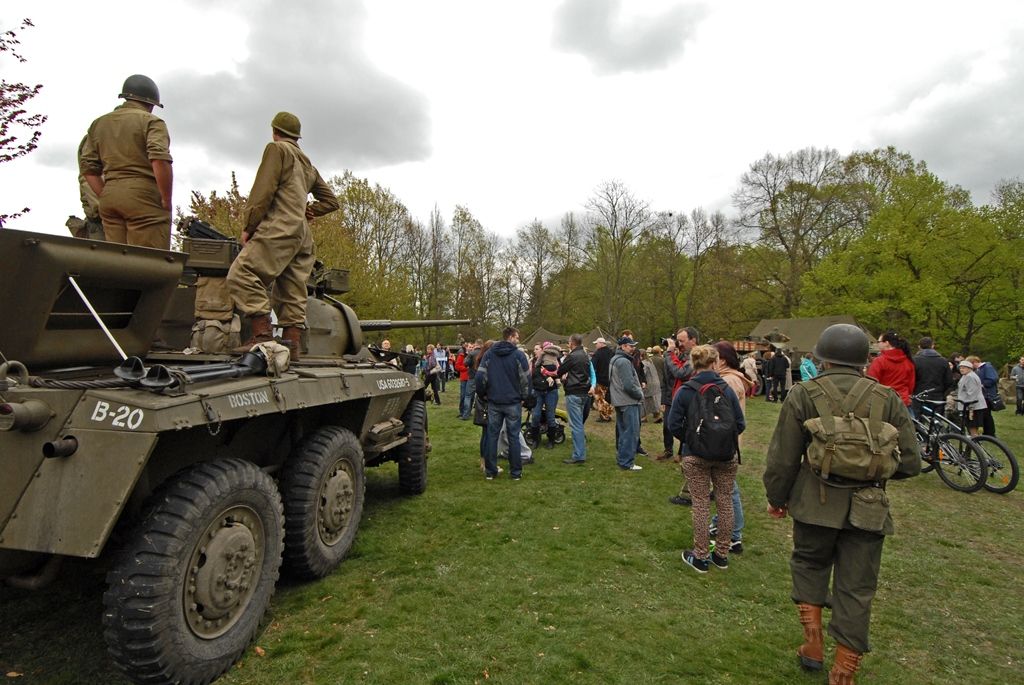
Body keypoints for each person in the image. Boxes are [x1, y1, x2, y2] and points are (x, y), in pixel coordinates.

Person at [763, 323, 919, 684]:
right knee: (857, 586)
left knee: (809, 564)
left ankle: (813, 645)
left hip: (814, 503)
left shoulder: (803, 394)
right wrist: (870, 473)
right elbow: (911, 462)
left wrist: (777, 498)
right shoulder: (887, 397)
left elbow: (783, 459)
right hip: (869, 507)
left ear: (822, 358)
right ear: (864, 361)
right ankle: (844, 671)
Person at [226, 112, 339, 357]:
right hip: (302, 236)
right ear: (297, 137)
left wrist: (249, 226)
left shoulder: (277, 150)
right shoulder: (307, 162)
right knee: (292, 289)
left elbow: (262, 192)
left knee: (241, 274)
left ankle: (262, 336)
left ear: (275, 131)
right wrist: (307, 210)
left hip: (279, 227)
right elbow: (331, 201)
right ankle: (292, 346)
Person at [667, 344, 744, 573]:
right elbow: (740, 423)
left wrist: (692, 439)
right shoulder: (726, 389)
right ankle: (721, 554)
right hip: (725, 455)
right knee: (725, 501)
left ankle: (700, 555)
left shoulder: (686, 391)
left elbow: (673, 424)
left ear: (693, 363)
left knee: (700, 503)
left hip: (695, 454)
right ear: (715, 362)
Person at [79, 74, 173, 248]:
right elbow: (159, 159)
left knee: (118, 263)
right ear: (151, 103)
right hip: (145, 196)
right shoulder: (152, 122)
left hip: (110, 196)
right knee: (149, 261)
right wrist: (166, 199)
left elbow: (88, 169)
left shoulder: (98, 124)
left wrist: (105, 194)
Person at [711, 341, 752, 555]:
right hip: (725, 440)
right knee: (722, 487)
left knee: (728, 488)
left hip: (726, 441)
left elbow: (723, 415)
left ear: (723, 360)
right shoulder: (728, 379)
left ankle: (734, 534)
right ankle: (721, 522)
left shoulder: (729, 381)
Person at [476, 327, 530, 480]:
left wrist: (483, 394)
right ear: (511, 337)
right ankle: (515, 473)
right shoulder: (518, 355)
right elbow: (525, 379)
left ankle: (490, 471)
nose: (518, 340)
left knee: (492, 436)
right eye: (517, 337)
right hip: (512, 402)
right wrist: (525, 397)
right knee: (514, 437)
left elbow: (480, 377)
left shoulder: (489, 355)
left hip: (494, 401)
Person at [558, 333, 594, 465]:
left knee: (576, 425)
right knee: (579, 424)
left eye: (568, 342)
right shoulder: (585, 355)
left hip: (574, 392)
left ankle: (579, 455)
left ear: (572, 343)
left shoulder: (572, 356)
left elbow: (560, 371)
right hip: (584, 392)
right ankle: (580, 452)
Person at [608, 336, 644, 471]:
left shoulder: (615, 359)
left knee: (623, 432)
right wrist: (639, 394)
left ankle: (622, 459)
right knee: (630, 432)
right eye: (630, 345)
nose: (633, 348)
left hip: (619, 400)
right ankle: (627, 462)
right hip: (627, 401)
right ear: (622, 346)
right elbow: (628, 385)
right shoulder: (623, 361)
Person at [866, 330, 915, 411]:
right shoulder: (908, 361)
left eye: (879, 341)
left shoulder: (879, 361)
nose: (877, 344)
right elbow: (911, 386)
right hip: (903, 404)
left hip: (884, 403)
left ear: (887, 343)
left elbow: (871, 383)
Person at [529, 343, 562, 449]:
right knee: (536, 416)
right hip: (538, 391)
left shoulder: (554, 360)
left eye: (537, 349)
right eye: (534, 349)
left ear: (543, 351)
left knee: (550, 416)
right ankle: (535, 439)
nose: (535, 351)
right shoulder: (533, 362)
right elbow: (532, 376)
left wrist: (552, 375)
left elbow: (559, 372)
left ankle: (551, 440)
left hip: (550, 391)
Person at [911, 337, 954, 418]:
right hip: (937, 396)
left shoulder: (914, 360)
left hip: (919, 396)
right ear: (932, 346)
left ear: (919, 347)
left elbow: (910, 379)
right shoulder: (943, 361)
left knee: (917, 422)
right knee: (936, 422)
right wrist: (943, 393)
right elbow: (949, 381)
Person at [967, 355, 999, 435]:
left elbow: (993, 378)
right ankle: (988, 432)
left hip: (988, 395)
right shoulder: (978, 370)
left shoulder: (987, 367)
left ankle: (990, 433)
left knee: (987, 414)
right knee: (985, 414)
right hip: (982, 395)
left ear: (974, 362)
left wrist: (982, 384)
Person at [956, 359, 987, 436]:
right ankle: (974, 441)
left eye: (964, 367)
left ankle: (975, 442)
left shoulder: (970, 377)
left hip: (973, 406)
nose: (961, 369)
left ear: (970, 368)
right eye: (960, 368)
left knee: (972, 426)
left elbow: (972, 393)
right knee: (970, 426)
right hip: (971, 405)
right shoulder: (966, 376)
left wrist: (970, 406)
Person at [591, 338, 614, 421]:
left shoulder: (597, 354)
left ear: (601, 343)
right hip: (611, 379)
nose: (596, 345)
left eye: (596, 343)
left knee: (600, 398)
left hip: (600, 379)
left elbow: (592, 367)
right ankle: (609, 414)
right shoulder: (612, 353)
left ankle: (604, 416)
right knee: (609, 398)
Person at [455, 342, 472, 419]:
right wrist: (466, 369)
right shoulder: (461, 356)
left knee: (470, 396)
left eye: (472, 347)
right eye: (469, 347)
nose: (470, 348)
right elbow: (457, 366)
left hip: (471, 378)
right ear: (466, 348)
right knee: (463, 396)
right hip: (464, 378)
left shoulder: (474, 355)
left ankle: (468, 411)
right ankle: (462, 411)